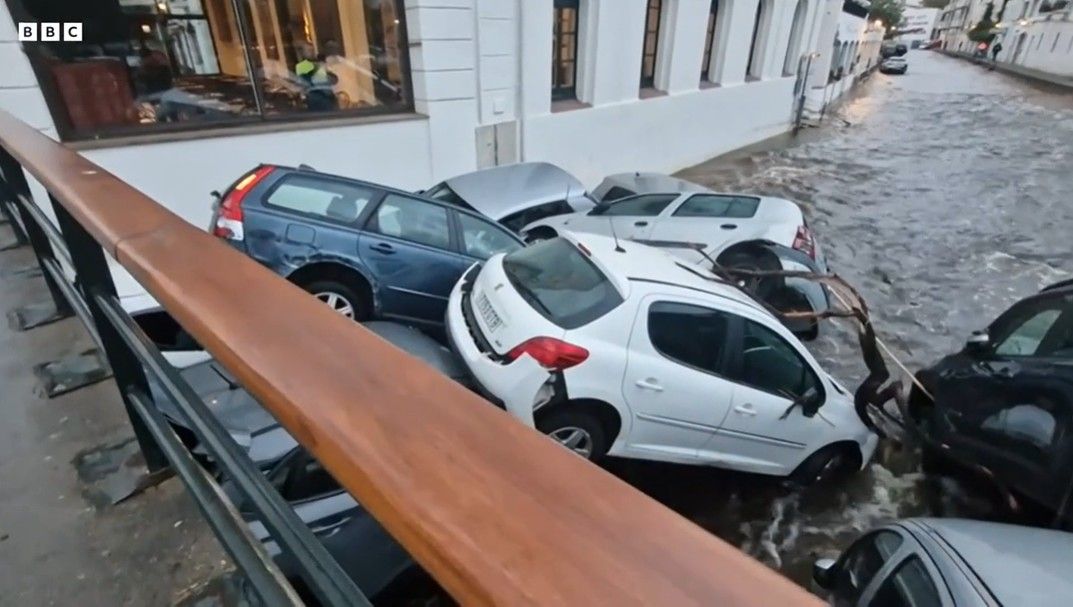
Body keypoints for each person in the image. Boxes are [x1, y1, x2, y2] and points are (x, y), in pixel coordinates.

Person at [294, 43, 338, 111]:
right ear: (302, 53)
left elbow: (334, 79)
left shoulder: (320, 63)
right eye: (309, 50)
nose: (312, 52)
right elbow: (309, 80)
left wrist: (329, 75)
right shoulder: (301, 66)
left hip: (328, 96)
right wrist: (322, 66)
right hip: (316, 97)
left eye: (313, 50)